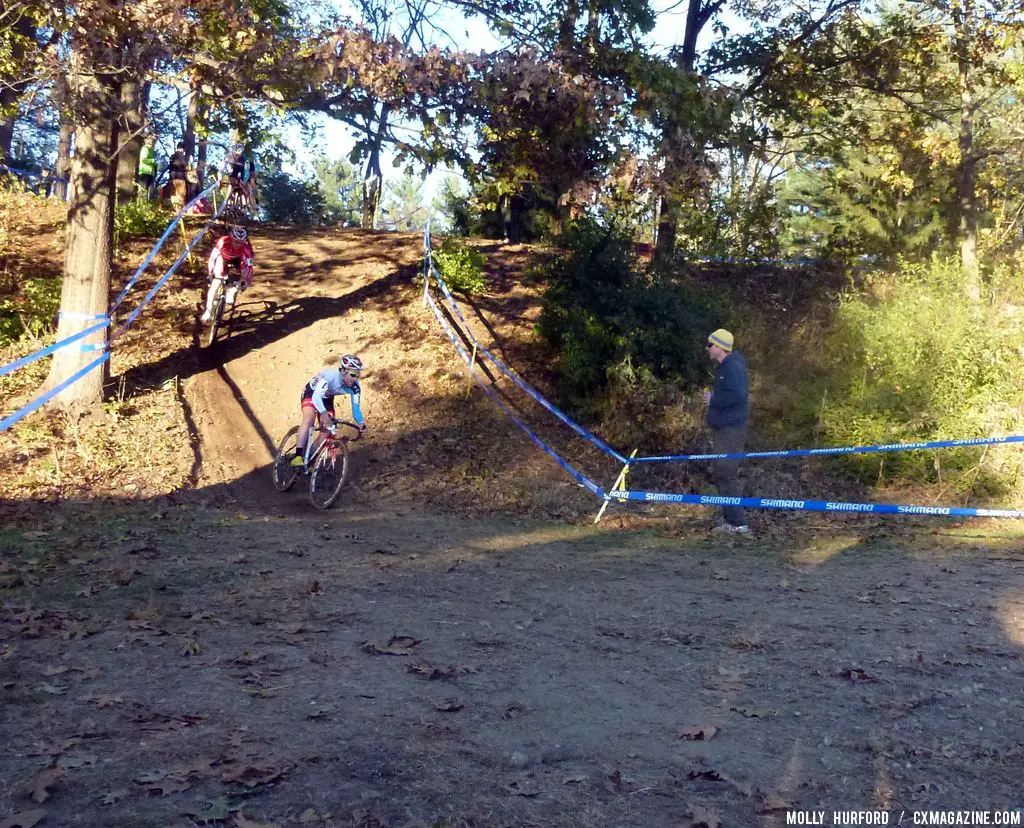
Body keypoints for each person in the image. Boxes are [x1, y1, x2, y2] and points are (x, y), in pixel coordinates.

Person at [702, 328, 750, 534]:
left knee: (726, 473)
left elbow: (738, 396)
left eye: (710, 344)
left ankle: (738, 524)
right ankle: (731, 520)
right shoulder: (725, 367)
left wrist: (713, 400)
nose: (707, 348)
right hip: (724, 427)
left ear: (720, 347)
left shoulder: (733, 367)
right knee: (722, 473)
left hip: (731, 429)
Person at [291, 355, 368, 468]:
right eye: (352, 374)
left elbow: (356, 408)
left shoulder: (355, 388)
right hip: (312, 393)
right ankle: (297, 456)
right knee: (309, 419)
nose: (355, 378)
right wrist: (323, 413)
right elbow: (316, 397)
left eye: (357, 375)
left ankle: (309, 460)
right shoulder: (329, 376)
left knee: (327, 429)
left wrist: (361, 423)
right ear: (343, 371)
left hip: (327, 398)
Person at [201, 225, 254, 323]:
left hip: (238, 260)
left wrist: (246, 280)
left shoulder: (246, 248)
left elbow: (249, 266)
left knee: (243, 277)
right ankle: (208, 310)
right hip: (223, 258)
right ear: (230, 238)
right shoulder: (223, 241)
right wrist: (210, 273)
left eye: (241, 243)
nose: (238, 245)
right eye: (236, 242)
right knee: (216, 282)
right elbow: (213, 257)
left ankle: (232, 291)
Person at [164, 141, 189, 209]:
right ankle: (181, 212)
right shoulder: (182, 157)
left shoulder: (172, 157)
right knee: (181, 196)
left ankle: (174, 209)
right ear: (182, 149)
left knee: (173, 195)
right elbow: (185, 165)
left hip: (172, 178)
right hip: (180, 178)